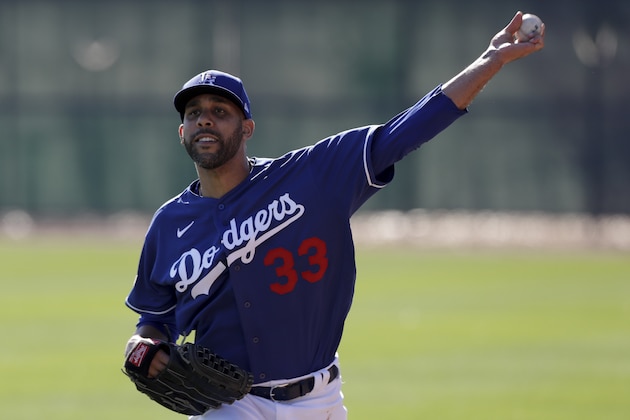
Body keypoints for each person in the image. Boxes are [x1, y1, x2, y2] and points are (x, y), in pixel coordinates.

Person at [124, 11, 544, 419]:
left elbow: (406, 130)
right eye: (194, 113)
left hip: (317, 400)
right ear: (182, 132)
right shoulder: (169, 225)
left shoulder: (311, 176)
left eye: (220, 111)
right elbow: (155, 319)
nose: (205, 121)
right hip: (228, 406)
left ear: (247, 128)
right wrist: (142, 345)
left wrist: (489, 62)